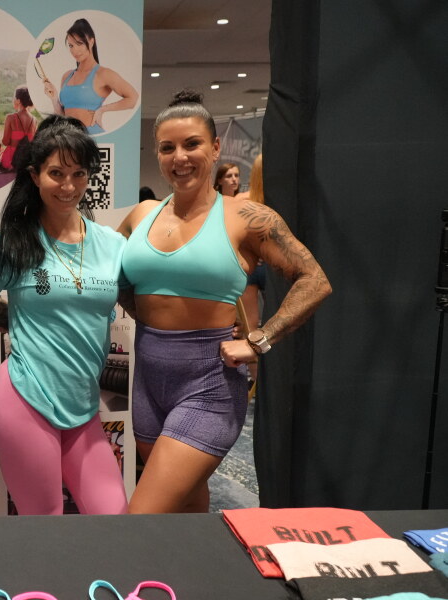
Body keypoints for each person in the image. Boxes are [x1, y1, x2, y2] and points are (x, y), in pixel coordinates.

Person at [117, 90, 331, 514]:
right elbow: (114, 276)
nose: (180, 157)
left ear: (215, 148)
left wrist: (259, 340)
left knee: (143, 516)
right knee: (186, 506)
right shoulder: (141, 215)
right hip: (148, 381)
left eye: (192, 144)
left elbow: (315, 280)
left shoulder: (246, 218)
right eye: (167, 147)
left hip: (208, 384)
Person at [0, 115, 128, 515]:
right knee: (45, 523)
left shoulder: (113, 245)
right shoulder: (12, 242)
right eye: (56, 173)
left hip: (82, 405)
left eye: (79, 174)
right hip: (22, 397)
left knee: (113, 516)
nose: (69, 186)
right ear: (35, 175)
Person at [42, 18, 139, 135]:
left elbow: (133, 98)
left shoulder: (103, 74)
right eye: (71, 45)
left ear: (91, 42)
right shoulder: (67, 76)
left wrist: (102, 109)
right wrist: (54, 99)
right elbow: (62, 117)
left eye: (79, 44)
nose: (74, 50)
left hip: (92, 137)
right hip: (70, 139)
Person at [235, 153, 266, 384]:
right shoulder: (243, 202)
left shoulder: (243, 201)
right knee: (251, 330)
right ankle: (260, 386)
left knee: (253, 330)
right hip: (252, 270)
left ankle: (261, 386)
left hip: (260, 269)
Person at [0, 86, 37, 171]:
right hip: (27, 161)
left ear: (18, 100)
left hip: (11, 161)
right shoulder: (34, 120)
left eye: (14, 98)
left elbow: (5, 142)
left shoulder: (11, 118)